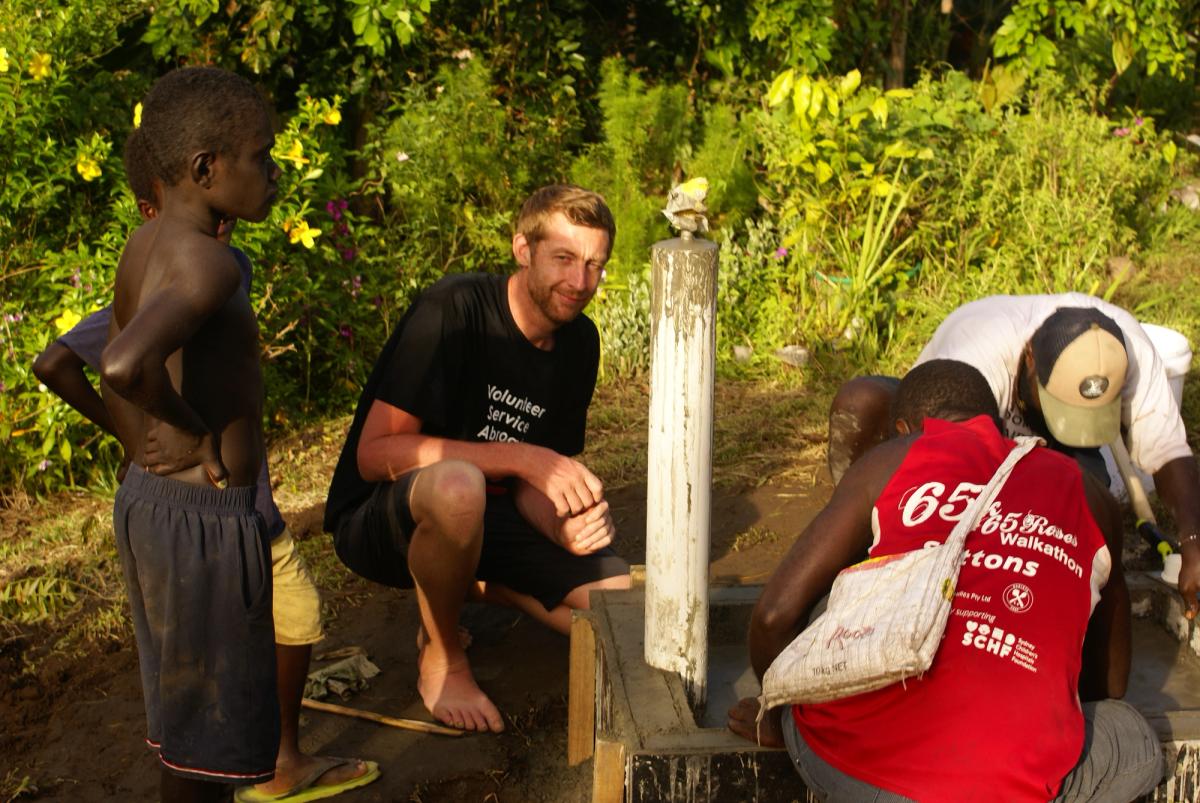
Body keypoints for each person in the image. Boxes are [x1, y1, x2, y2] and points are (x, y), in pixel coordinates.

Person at [36, 123, 377, 802]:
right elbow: (122, 362)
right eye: (262, 157)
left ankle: (274, 763)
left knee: (196, 735)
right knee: (205, 749)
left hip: (167, 508)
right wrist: (187, 431)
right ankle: (275, 769)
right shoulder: (209, 264)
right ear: (203, 167)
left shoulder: (148, 247)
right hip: (206, 518)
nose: (275, 171)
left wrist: (141, 437)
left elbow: (103, 359)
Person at [730, 359, 1163, 802]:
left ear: (904, 428)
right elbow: (1107, 685)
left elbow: (774, 615)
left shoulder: (893, 458)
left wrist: (779, 717)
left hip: (858, 766)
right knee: (1129, 734)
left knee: (836, 596)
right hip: (1012, 783)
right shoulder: (1089, 493)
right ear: (998, 424)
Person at [323, 184, 632, 733]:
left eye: (594, 265)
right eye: (564, 258)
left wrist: (563, 526)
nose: (580, 282)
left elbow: (529, 484)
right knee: (458, 486)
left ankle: (459, 581)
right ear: (523, 249)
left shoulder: (580, 344)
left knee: (617, 601)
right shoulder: (453, 310)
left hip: (489, 521)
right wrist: (519, 456)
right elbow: (374, 457)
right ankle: (442, 655)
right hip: (382, 520)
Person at [828, 293, 1200, 617]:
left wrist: (1193, 542)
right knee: (863, 402)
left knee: (1088, 509)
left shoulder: (1127, 349)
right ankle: (859, 549)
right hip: (954, 437)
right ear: (1030, 361)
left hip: (1041, 448)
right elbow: (942, 470)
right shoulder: (979, 352)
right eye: (1060, 407)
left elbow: (1169, 452)